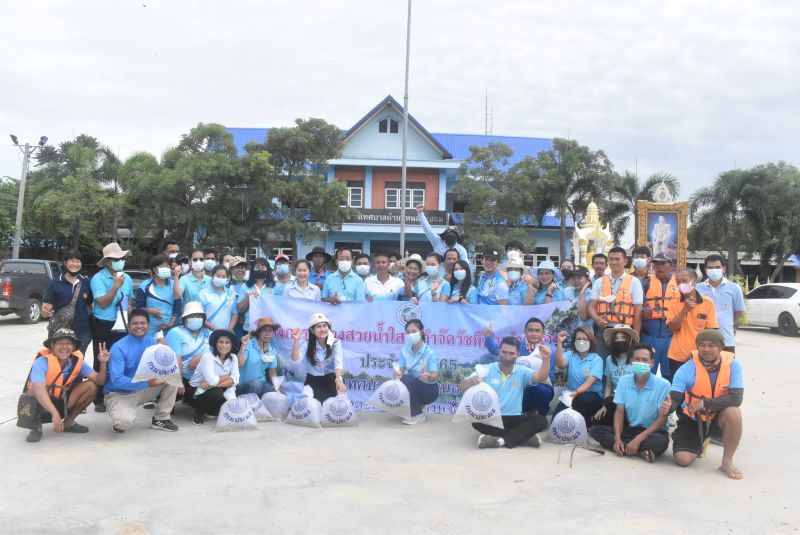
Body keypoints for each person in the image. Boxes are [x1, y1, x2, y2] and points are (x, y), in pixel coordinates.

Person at [668, 329, 744, 479]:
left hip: (718, 418)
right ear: (697, 347)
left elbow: (736, 398)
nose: (706, 349)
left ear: (720, 347)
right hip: (693, 419)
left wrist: (703, 403)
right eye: (702, 345)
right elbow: (675, 397)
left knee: (734, 412)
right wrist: (667, 406)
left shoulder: (734, 366)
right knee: (682, 460)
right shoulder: (686, 369)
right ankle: (698, 441)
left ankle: (727, 462)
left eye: (711, 345)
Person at [459, 337, 550, 449]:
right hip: (492, 418)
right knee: (476, 422)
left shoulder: (522, 371)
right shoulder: (486, 369)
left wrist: (546, 358)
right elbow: (462, 386)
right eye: (504, 352)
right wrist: (472, 381)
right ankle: (522, 438)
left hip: (515, 418)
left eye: (511, 353)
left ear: (518, 354)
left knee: (541, 420)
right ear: (499, 352)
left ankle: (500, 441)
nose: (507, 356)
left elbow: (541, 377)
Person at [22, 329, 109, 443]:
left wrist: (103, 363)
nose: (64, 347)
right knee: (34, 391)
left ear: (73, 347)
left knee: (92, 386)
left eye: (68, 344)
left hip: (61, 400)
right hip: (41, 403)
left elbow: (100, 381)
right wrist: (54, 414)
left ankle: (68, 423)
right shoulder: (42, 362)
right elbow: (38, 388)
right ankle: (36, 427)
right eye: (60, 343)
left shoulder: (76, 360)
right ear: (52, 346)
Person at [589, 344, 672, 463]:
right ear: (631, 361)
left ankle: (625, 447)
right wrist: (617, 439)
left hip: (652, 432)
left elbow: (662, 419)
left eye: (645, 360)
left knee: (661, 442)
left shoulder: (663, 385)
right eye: (637, 359)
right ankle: (638, 452)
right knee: (595, 431)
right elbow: (619, 412)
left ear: (652, 363)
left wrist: (638, 439)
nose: (640, 363)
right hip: (630, 428)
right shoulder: (624, 381)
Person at [104, 309, 179, 433]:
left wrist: (165, 350)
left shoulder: (153, 342)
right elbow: (117, 380)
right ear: (128, 326)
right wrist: (147, 382)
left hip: (143, 389)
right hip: (120, 393)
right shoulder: (118, 347)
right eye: (135, 323)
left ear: (149, 325)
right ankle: (118, 411)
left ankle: (161, 418)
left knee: (171, 376)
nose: (139, 326)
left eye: (143, 323)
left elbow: (167, 368)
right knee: (123, 423)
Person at [90, 242, 135, 412]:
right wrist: (115, 286)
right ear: (108, 261)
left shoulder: (127, 278)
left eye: (122, 258)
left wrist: (129, 311)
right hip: (104, 323)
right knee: (101, 358)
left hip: (123, 323)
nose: (120, 261)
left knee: (121, 357)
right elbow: (102, 303)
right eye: (116, 259)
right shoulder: (98, 278)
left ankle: (118, 392)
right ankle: (99, 397)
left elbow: (129, 299)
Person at [483, 318, 555, 416]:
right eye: (531, 330)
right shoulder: (516, 346)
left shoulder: (549, 350)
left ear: (543, 333)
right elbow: (496, 350)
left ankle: (542, 416)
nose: (534, 334)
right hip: (519, 389)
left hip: (540, 387)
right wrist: (488, 336)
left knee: (542, 390)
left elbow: (550, 376)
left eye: (537, 331)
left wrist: (534, 381)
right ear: (525, 332)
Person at [589, 246, 644, 357]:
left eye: (617, 259)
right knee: (601, 361)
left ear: (625, 261)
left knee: (623, 362)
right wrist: (597, 319)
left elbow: (638, 311)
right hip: (603, 329)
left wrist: (635, 337)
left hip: (625, 330)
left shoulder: (634, 282)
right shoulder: (599, 282)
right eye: (611, 259)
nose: (614, 262)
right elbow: (591, 307)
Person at [665, 268, 719, 377]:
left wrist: (697, 354)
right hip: (677, 357)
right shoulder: (673, 303)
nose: (681, 284)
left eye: (684, 281)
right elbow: (671, 328)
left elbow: (711, 334)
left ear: (694, 280)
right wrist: (684, 310)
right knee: (677, 386)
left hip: (701, 357)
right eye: (678, 282)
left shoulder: (708, 303)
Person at [42, 250, 93, 354]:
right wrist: (45, 312)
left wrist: (90, 331)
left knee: (78, 361)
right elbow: (46, 307)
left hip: (82, 333)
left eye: (78, 261)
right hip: (60, 332)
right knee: (59, 361)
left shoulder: (86, 282)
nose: (75, 264)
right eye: (72, 261)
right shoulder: (55, 283)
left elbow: (89, 307)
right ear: (65, 263)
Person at [186, 329, 240, 425]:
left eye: (227, 342)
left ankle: (212, 411)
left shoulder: (233, 357)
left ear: (231, 345)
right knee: (217, 393)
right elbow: (212, 380)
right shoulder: (208, 357)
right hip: (196, 391)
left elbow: (236, 379)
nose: (224, 345)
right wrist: (226, 377)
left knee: (235, 390)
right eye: (221, 342)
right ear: (215, 344)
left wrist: (211, 385)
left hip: (212, 387)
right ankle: (198, 414)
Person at [553, 327, 604, 428]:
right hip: (571, 395)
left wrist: (576, 393)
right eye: (578, 339)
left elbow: (589, 382)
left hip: (591, 396)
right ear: (574, 341)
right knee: (556, 421)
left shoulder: (597, 359)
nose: (581, 342)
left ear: (591, 341)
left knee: (583, 399)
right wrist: (559, 342)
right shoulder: (570, 355)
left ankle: (587, 424)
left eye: (585, 339)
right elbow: (560, 364)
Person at [290, 313, 347, 402]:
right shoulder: (307, 344)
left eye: (324, 325)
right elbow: (295, 361)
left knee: (335, 405)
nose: (323, 329)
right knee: (315, 406)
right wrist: (296, 340)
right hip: (313, 381)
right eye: (319, 327)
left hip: (332, 380)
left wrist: (339, 380)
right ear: (312, 330)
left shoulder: (336, 343)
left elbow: (338, 363)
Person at [696, 254, 746, 354]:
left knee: (727, 364)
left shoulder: (734, 288)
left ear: (723, 269)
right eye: (710, 268)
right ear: (706, 270)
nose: (714, 270)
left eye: (717, 267)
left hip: (726, 340)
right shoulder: (697, 288)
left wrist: (728, 322)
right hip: (703, 341)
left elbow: (739, 310)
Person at [393, 319, 439, 425]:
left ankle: (417, 415)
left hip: (429, 390)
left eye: (414, 331)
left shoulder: (429, 353)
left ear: (421, 332)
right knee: (399, 381)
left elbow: (435, 375)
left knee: (406, 378)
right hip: (414, 388)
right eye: (408, 332)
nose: (411, 335)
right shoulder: (404, 351)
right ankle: (417, 405)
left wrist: (428, 376)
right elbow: (400, 371)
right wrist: (397, 374)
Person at [640, 253, 679, 379]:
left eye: (663, 264)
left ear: (670, 266)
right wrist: (642, 311)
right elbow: (635, 304)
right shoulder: (645, 283)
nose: (659, 267)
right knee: (645, 373)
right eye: (656, 264)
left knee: (670, 374)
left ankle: (670, 392)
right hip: (649, 336)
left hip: (671, 338)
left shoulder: (679, 283)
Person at [593, 324, 639, 426]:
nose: (619, 341)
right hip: (614, 400)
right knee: (598, 421)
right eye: (616, 338)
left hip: (632, 400)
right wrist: (605, 405)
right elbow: (608, 386)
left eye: (623, 338)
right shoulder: (609, 359)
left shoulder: (636, 360)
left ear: (630, 340)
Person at [165, 301, 212, 395]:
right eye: (191, 316)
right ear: (184, 319)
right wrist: (179, 383)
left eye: (198, 316)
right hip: (184, 380)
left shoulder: (209, 333)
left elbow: (219, 353)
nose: (195, 319)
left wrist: (202, 358)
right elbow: (175, 360)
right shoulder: (176, 332)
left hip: (207, 378)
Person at [136, 255, 182, 337]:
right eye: (162, 266)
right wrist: (149, 310)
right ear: (154, 269)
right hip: (149, 331)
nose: (165, 268)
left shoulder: (174, 284)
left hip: (169, 330)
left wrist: (171, 323)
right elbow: (138, 308)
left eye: (167, 266)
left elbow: (177, 306)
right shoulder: (145, 285)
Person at [236, 317, 280, 397]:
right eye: (264, 330)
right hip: (243, 384)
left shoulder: (271, 349)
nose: (267, 334)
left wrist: (277, 386)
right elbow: (239, 364)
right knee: (256, 384)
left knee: (277, 394)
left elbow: (272, 371)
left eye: (270, 330)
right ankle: (247, 404)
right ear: (259, 332)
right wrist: (243, 346)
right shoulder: (248, 344)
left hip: (262, 383)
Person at [237, 257, 276, 331]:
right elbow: (240, 309)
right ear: (252, 270)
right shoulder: (245, 286)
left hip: (269, 328)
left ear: (268, 270)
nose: (260, 269)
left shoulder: (274, 286)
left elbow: (280, 307)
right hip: (249, 328)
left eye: (263, 267)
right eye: (257, 267)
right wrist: (248, 297)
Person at [198, 265, 239, 332]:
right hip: (207, 333)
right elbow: (199, 316)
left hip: (226, 333)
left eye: (224, 277)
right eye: (218, 276)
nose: (221, 278)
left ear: (227, 278)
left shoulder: (231, 294)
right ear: (212, 276)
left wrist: (230, 329)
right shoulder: (203, 294)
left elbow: (234, 314)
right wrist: (215, 329)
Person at [562, 266, 593, 331]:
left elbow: (584, 317)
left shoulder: (592, 295)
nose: (576, 281)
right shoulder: (566, 291)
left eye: (579, 278)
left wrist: (582, 294)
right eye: (573, 278)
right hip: (566, 333)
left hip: (584, 333)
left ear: (587, 280)